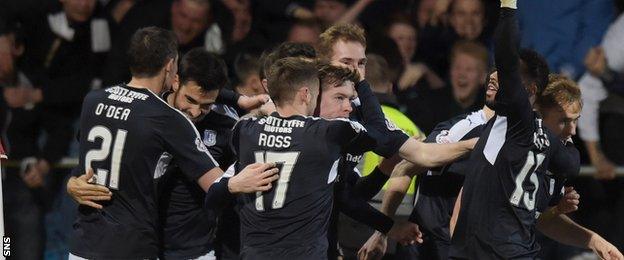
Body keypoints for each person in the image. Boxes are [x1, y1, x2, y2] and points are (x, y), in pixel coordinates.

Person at [67, 27, 277, 260]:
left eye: (205, 105)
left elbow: (84, 170)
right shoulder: (166, 118)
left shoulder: (93, 100)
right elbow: (215, 184)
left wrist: (71, 183)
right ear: (170, 67)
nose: (196, 112)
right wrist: (238, 182)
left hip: (84, 245)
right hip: (133, 246)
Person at [449, 2, 615, 259]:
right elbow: (506, 58)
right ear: (538, 105)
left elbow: (541, 219)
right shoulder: (517, 122)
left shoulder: (553, 153)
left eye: (575, 121)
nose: (571, 130)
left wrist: (591, 238)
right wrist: (508, 7)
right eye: (563, 120)